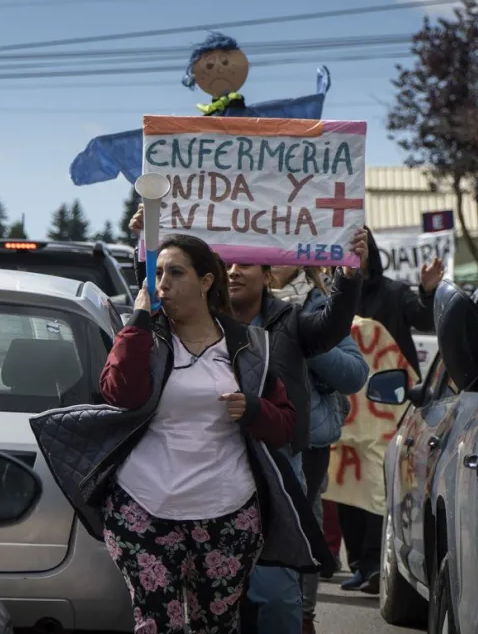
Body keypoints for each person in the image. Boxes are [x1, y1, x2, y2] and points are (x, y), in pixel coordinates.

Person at [127, 206, 365, 634]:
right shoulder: (185, 325)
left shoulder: (289, 322)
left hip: (274, 468)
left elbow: (332, 333)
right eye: (228, 264)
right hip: (199, 481)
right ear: (211, 278)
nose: (235, 271)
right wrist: (146, 239)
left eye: (246, 263)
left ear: (270, 274)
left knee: (274, 595)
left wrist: (347, 276)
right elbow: (154, 294)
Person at [93, 234, 321, 633]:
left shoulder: (249, 346)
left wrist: (252, 409)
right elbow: (119, 395)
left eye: (175, 272)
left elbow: (286, 425)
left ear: (205, 282)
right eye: (158, 272)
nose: (163, 282)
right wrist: (139, 320)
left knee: (214, 624)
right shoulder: (146, 337)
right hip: (144, 507)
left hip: (227, 513)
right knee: (156, 624)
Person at [336, 225, 444, 594]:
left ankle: (377, 566)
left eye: (361, 243)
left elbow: (426, 318)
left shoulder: (396, 293)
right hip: (347, 410)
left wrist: (428, 291)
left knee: (379, 483)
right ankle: (359, 565)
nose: (356, 249)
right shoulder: (332, 296)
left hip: (387, 407)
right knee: (348, 484)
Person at [271, 265, 369, 634]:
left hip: (306, 445)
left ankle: (302, 617)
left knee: (301, 532)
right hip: (244, 442)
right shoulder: (235, 302)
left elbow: (354, 374)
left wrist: (300, 339)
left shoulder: (317, 306)